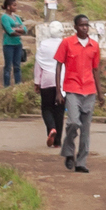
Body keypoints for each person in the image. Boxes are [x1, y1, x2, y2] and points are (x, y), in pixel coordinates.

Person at [54, 14, 101, 173]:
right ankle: (68, 152)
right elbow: (59, 65)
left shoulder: (94, 45)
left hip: (89, 90)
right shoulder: (67, 43)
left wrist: (100, 94)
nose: (85, 28)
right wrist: (58, 91)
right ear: (75, 27)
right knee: (73, 123)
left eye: (87, 25)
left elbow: (95, 70)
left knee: (86, 130)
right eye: (81, 25)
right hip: (72, 88)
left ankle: (81, 162)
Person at [33, 21, 63, 149]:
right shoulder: (65, 44)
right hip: (62, 81)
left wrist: (37, 82)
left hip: (46, 80)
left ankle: (51, 128)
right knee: (60, 111)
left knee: (46, 108)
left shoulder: (43, 45)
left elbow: (38, 64)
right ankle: (57, 142)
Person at [0, 0, 27, 87]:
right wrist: (19, 30)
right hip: (8, 45)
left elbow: (25, 29)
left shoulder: (17, 17)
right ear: (8, 7)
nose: (15, 7)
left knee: (17, 66)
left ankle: (18, 85)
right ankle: (6, 86)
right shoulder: (4, 17)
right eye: (14, 5)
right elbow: (9, 31)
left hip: (18, 44)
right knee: (8, 66)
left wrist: (16, 30)